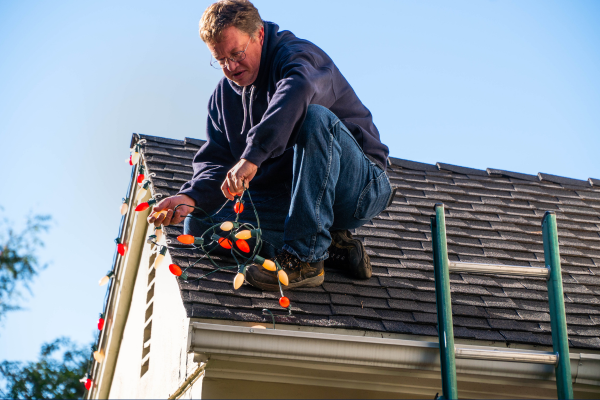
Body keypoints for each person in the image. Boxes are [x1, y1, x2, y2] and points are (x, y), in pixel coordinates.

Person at [148, 0, 394, 291]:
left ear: (259, 35)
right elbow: (217, 163)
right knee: (201, 226)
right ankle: (328, 245)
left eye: (236, 54)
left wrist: (252, 155)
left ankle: (306, 258)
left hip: (358, 186)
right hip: (295, 199)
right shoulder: (222, 98)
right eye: (220, 59)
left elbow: (298, 90)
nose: (230, 67)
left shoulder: (296, 57)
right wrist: (190, 198)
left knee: (314, 117)